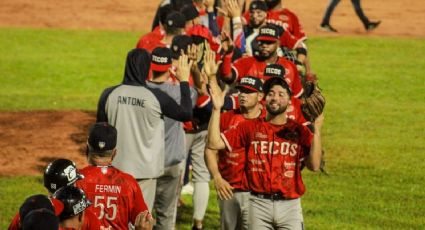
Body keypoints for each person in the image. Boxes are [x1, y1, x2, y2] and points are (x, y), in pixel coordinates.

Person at [207, 51, 324, 229]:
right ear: (264, 98)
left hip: (290, 205)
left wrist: (317, 128)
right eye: (271, 93)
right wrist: (216, 110)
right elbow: (214, 144)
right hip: (258, 204)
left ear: (289, 99)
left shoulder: (298, 130)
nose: (275, 98)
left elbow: (314, 165)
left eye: (281, 94)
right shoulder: (249, 127)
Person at [96, 48, 193, 212]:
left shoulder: (109, 94)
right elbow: (186, 114)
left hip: (115, 170)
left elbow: (100, 133)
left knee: (115, 220)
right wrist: (184, 81)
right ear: (147, 67)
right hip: (145, 173)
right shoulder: (156, 97)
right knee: (141, 221)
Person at [205, 75, 265, 230]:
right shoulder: (226, 118)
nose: (243, 95)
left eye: (248, 92)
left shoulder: (268, 120)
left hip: (258, 193)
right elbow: (210, 149)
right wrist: (217, 177)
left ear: (260, 96)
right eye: (241, 91)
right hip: (229, 190)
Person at [146, 47, 197, 230]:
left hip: (146, 164)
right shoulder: (179, 93)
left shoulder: (141, 92)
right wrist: (182, 78)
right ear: (170, 68)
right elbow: (196, 94)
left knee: (141, 215)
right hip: (171, 164)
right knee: (166, 216)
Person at [76, 122, 153, 230]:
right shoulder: (129, 183)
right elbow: (145, 223)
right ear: (114, 153)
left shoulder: (75, 179)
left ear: (87, 149)